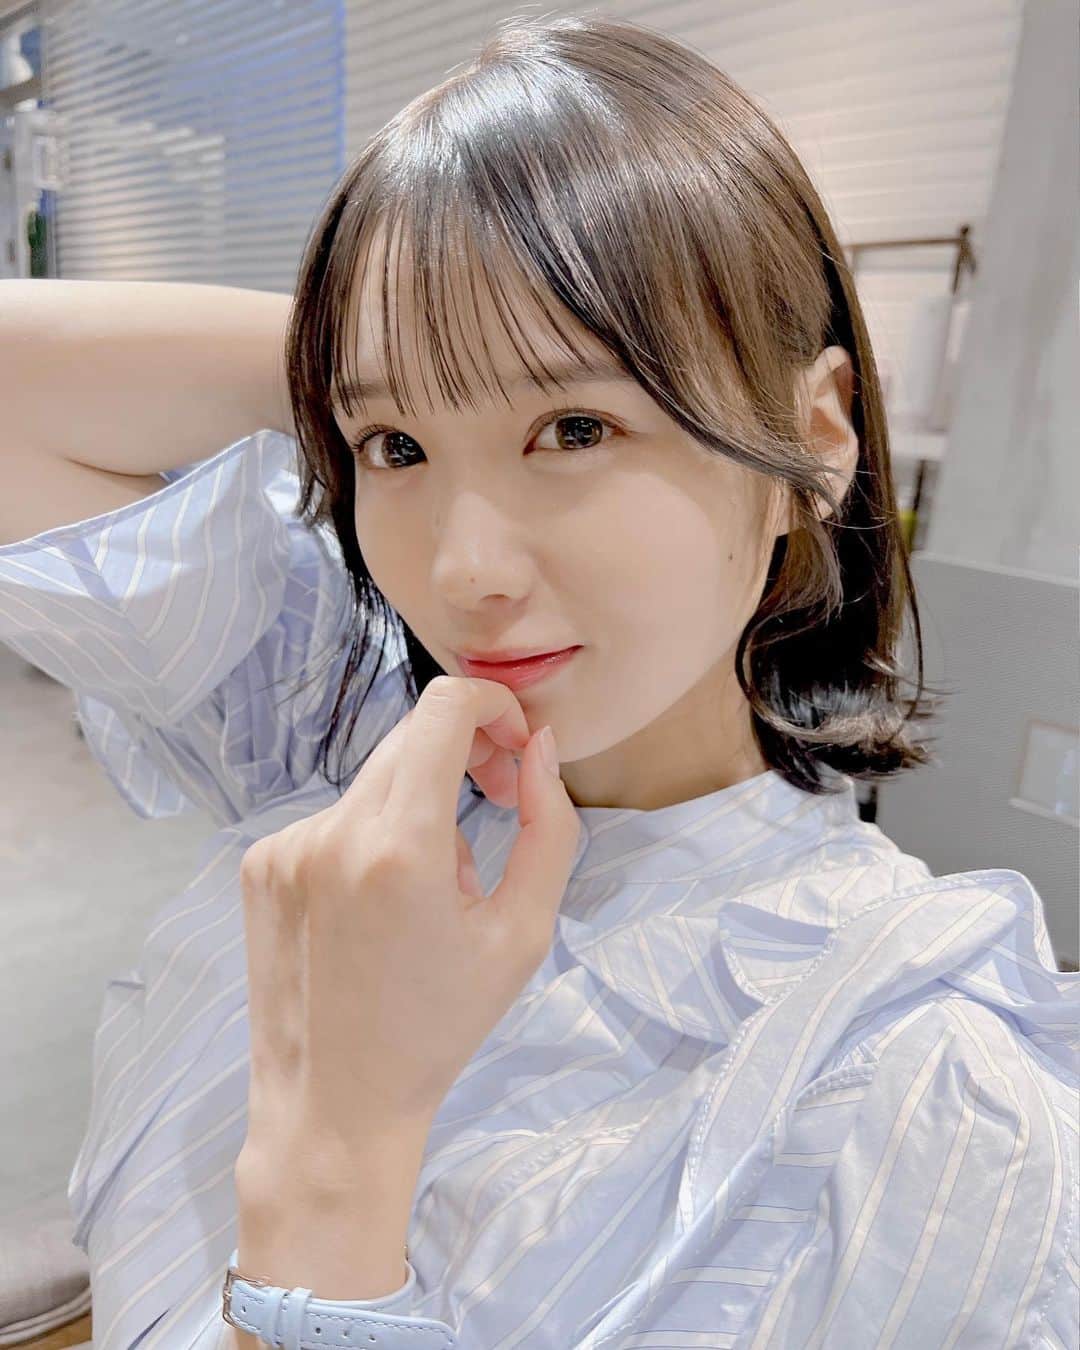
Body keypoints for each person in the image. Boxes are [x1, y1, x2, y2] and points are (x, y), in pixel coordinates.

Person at [1, 13, 1076, 1350]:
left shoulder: (909, 1087)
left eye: (574, 426)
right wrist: (406, 336)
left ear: (813, 439)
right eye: (394, 447)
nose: (462, 569)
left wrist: (340, 1153)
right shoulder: (344, 718)